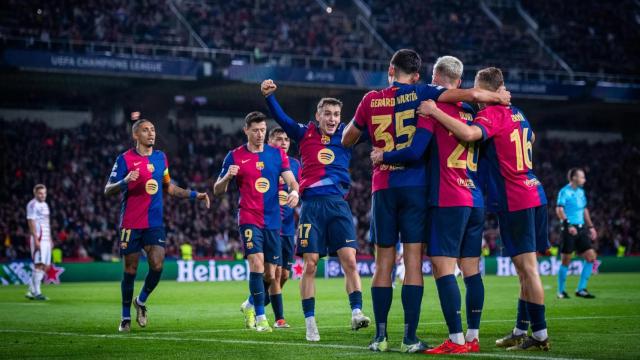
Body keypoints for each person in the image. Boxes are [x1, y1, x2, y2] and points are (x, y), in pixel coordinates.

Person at [341, 49, 509, 353]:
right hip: (419, 187)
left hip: (383, 186)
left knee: (384, 264)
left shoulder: (369, 100)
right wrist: (499, 97)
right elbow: (471, 94)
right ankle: (410, 338)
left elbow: (346, 138)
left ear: (390, 68)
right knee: (414, 262)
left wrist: (373, 137)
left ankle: (379, 337)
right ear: (418, 76)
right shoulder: (423, 95)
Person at [418, 67, 550, 351]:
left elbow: (467, 132)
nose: (476, 97)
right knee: (521, 270)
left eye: (479, 90)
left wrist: (434, 110)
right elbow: (532, 138)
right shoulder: (519, 113)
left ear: (487, 90)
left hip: (514, 197)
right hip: (532, 189)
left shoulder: (490, 114)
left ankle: (539, 335)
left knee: (528, 270)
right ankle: (518, 329)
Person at [369, 55, 485, 354]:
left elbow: (416, 149)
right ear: (458, 81)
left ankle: (451, 339)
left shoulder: (432, 108)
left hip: (439, 195)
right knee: (468, 270)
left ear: (433, 77)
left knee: (433, 267)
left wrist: (384, 155)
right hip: (473, 195)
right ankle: (466, 336)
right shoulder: (473, 112)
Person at [262, 80, 370, 342]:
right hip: (311, 206)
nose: (332, 119)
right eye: (328, 114)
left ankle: (356, 312)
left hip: (338, 205)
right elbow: (282, 118)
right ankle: (310, 322)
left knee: (350, 261)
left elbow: (375, 126)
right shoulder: (304, 133)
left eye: (336, 114)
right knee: (310, 265)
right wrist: (269, 98)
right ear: (318, 116)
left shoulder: (347, 135)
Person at [105, 118, 210, 332]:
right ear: (136, 135)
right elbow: (108, 189)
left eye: (153, 129)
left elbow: (168, 187)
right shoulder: (124, 159)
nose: (151, 133)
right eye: (145, 130)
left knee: (158, 264)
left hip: (154, 223)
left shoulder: (161, 158)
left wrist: (194, 195)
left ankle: (141, 301)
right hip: (131, 224)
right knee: (130, 269)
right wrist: (125, 181)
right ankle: (125, 317)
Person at [214, 111, 299, 333]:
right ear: (246, 130)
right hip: (249, 217)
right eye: (256, 130)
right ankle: (262, 318)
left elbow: (292, 181)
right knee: (257, 265)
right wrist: (227, 177)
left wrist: (295, 192)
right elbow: (217, 190)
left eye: (263, 130)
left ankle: (250, 305)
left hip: (273, 221)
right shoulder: (234, 156)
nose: (260, 134)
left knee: (271, 275)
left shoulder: (276, 155)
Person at [556, 168, 598, 299]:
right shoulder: (564, 191)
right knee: (566, 261)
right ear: (574, 178)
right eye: (582, 177)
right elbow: (559, 209)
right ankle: (561, 291)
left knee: (591, 257)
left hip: (580, 229)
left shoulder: (581, 192)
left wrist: (591, 227)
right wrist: (568, 224)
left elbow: (584, 210)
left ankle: (581, 289)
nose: (584, 179)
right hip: (568, 229)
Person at [25, 184, 52, 301]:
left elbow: (46, 222)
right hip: (39, 238)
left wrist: (50, 238)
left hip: (46, 238)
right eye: (40, 193)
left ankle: (31, 290)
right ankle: (37, 292)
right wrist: (35, 239)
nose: (43, 195)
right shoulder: (32, 204)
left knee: (46, 266)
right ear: (35, 193)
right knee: (38, 264)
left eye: (44, 193)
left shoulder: (45, 205)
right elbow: (31, 222)